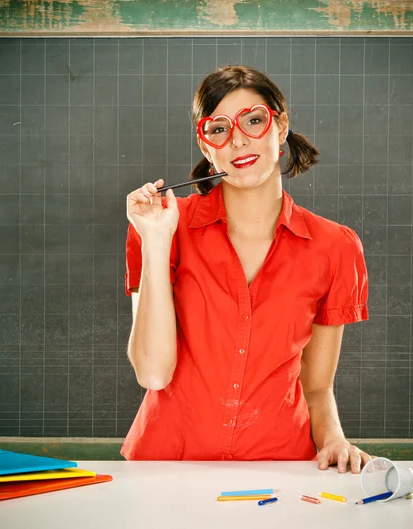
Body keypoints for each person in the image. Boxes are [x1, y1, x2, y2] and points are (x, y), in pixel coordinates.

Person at [123, 65, 372, 473]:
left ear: (280, 126)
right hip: (165, 469)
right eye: (218, 128)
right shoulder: (160, 228)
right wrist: (154, 239)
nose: (238, 139)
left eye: (254, 121)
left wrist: (334, 441)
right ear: (207, 147)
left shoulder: (335, 247)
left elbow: (317, 386)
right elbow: (152, 372)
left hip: (280, 473)